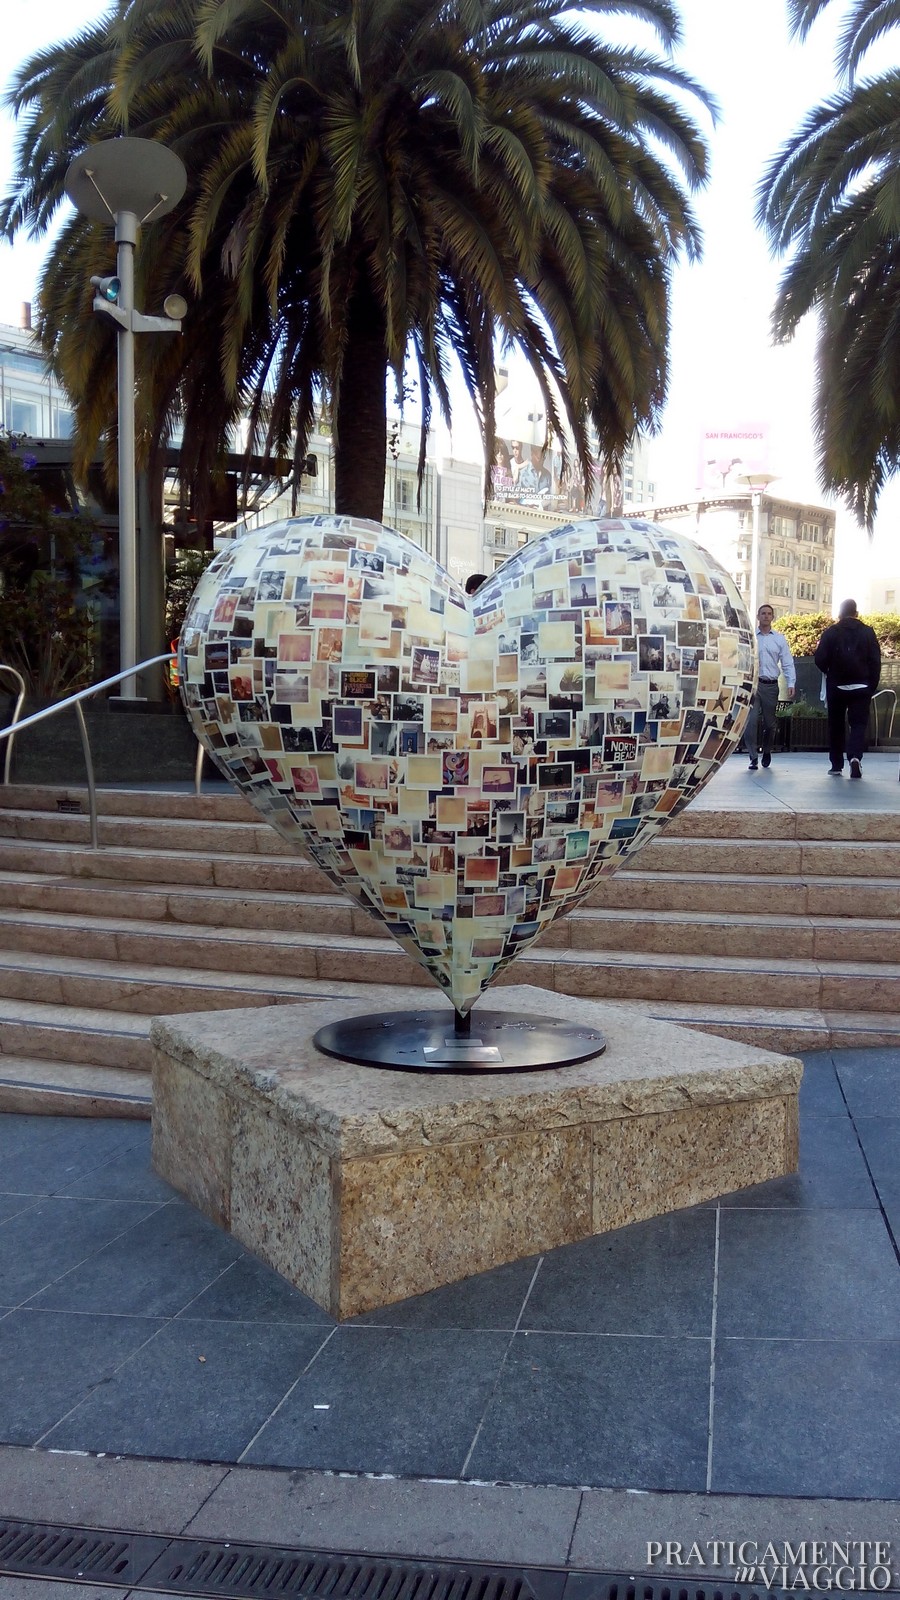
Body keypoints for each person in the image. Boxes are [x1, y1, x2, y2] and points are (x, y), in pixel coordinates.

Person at [814, 599, 881, 779]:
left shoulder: (831, 632)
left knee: (836, 725)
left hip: (837, 685)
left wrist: (830, 671)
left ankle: (836, 764)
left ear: (840, 613)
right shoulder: (868, 632)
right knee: (858, 724)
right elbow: (875, 661)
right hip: (862, 685)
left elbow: (820, 659)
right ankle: (854, 757)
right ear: (856, 613)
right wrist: (871, 684)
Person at [746, 604, 795, 770]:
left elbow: (787, 662)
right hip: (753, 685)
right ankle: (753, 756)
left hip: (771, 685)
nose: (766, 616)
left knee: (770, 724)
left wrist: (791, 683)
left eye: (769, 614)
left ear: (772, 617)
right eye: (763, 614)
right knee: (751, 721)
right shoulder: (751, 637)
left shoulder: (779, 639)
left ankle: (766, 751)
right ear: (758, 616)